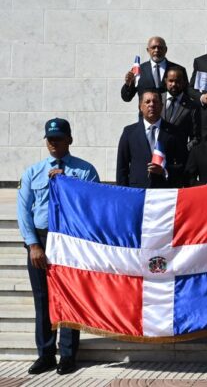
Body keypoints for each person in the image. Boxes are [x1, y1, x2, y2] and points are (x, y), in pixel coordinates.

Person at [17, 118, 100, 376]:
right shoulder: (33, 172)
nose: (53, 143)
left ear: (69, 140)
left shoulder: (85, 171)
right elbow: (23, 211)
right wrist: (32, 244)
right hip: (42, 239)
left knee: (69, 299)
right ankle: (45, 354)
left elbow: (94, 205)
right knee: (42, 299)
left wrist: (69, 184)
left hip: (70, 240)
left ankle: (67, 355)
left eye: (59, 138)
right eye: (50, 138)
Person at [116, 90, 188, 188]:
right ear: (140, 107)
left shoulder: (174, 132)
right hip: (137, 191)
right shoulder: (129, 132)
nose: (151, 105)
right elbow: (122, 168)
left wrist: (164, 171)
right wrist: (122, 193)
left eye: (155, 101)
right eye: (147, 102)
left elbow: (182, 165)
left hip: (165, 191)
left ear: (162, 106)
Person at [120, 36, 184, 102]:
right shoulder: (139, 70)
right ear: (148, 50)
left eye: (160, 47)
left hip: (170, 111)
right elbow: (127, 97)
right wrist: (128, 84)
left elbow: (186, 95)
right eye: (153, 47)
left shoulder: (179, 70)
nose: (156, 50)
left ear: (166, 50)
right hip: (146, 111)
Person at [162, 65, 201, 150]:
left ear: (183, 82)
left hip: (179, 159)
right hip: (157, 155)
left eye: (178, 81)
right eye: (171, 81)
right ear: (166, 81)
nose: (174, 84)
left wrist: (184, 150)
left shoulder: (192, 106)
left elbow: (196, 137)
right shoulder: (156, 100)